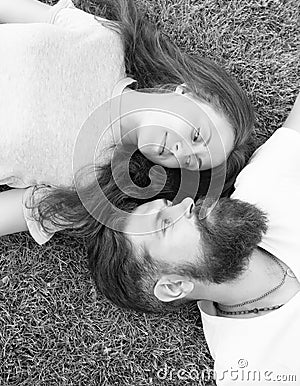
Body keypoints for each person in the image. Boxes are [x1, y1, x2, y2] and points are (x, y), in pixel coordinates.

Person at [0, 0, 253, 243]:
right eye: (197, 135)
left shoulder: (90, 186)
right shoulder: (106, 39)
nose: (182, 152)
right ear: (187, 92)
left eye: (190, 162)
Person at [87, 91, 300, 385]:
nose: (187, 204)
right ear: (174, 285)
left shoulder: (263, 188)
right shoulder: (254, 368)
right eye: (164, 225)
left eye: (168, 206)